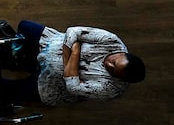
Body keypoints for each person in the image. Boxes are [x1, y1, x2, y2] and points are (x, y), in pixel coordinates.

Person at [9, 20, 145, 106]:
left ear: (121, 79)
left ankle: (26, 63)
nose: (109, 66)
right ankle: (26, 62)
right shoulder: (112, 41)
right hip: (49, 42)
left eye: (114, 71)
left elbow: (73, 87)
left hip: (50, 84)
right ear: (122, 53)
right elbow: (73, 31)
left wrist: (75, 51)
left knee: (6, 90)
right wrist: (69, 69)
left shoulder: (113, 90)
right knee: (24, 26)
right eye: (114, 62)